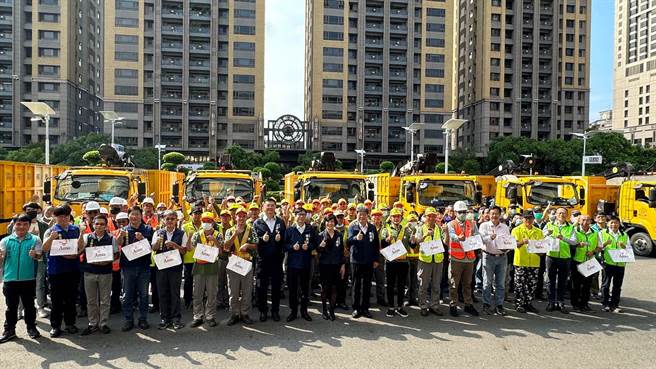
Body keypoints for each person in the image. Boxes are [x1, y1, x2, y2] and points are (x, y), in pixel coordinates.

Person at [0, 214, 43, 343]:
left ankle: (31, 328)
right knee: (11, 307)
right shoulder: (5, 241)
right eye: (18, 224)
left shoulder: (35, 239)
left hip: (28, 279)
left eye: (25, 224)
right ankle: (9, 330)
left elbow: (40, 256)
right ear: (14, 225)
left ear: (29, 226)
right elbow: (1, 260)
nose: (22, 227)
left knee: (29, 306)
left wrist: (35, 255)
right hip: (10, 279)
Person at [42, 205, 83, 338]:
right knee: (56, 300)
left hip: (72, 269)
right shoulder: (51, 231)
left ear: (69, 217)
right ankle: (55, 326)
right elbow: (44, 248)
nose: (63, 218)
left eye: (65, 216)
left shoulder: (75, 229)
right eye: (60, 216)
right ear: (55, 217)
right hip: (56, 270)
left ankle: (70, 323)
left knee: (71, 299)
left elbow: (81, 247)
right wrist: (51, 238)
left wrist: (77, 253)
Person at [78, 214, 119, 335]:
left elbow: (116, 254)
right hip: (89, 272)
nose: (99, 226)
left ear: (106, 226)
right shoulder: (87, 237)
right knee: (91, 300)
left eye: (102, 224)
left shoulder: (111, 238)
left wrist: (108, 260)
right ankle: (92, 323)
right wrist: (80, 233)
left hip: (105, 272)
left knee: (105, 299)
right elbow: (79, 249)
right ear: (93, 225)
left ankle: (103, 323)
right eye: (97, 224)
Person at [118, 206, 154, 331]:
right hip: (128, 267)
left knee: (143, 295)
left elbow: (153, 248)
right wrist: (120, 236)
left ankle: (143, 319)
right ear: (128, 216)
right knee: (127, 295)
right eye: (132, 214)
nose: (134, 217)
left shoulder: (148, 229)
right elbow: (117, 244)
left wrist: (143, 239)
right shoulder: (123, 230)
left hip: (143, 267)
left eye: (137, 214)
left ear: (141, 215)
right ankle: (128, 320)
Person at [151, 210, 187, 330]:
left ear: (176, 220)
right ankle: (164, 319)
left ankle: (176, 319)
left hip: (175, 268)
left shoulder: (182, 233)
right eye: (168, 219)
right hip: (161, 267)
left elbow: (184, 251)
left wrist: (174, 245)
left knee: (175, 293)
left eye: (172, 219)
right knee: (163, 293)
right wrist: (158, 242)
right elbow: (154, 248)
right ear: (163, 220)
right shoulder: (158, 232)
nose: (170, 221)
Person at [223, 207, 258, 325]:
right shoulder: (229, 230)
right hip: (233, 263)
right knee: (233, 291)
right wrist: (234, 235)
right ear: (235, 217)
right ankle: (234, 314)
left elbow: (257, 245)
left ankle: (245, 313)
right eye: (239, 216)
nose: (241, 218)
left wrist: (248, 245)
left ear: (246, 216)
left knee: (247, 290)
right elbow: (226, 247)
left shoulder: (251, 229)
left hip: (246, 263)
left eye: (243, 216)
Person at [253, 198, 286, 322]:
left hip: (277, 260)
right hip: (263, 260)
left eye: (273, 206)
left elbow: (286, 240)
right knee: (262, 287)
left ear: (275, 208)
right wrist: (262, 239)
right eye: (268, 206)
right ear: (263, 207)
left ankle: (275, 311)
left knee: (276, 287)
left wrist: (280, 238)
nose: (270, 208)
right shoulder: (258, 223)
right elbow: (254, 240)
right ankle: (263, 311)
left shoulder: (280, 222)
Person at [284, 207, 318, 322]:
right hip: (293, 265)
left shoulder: (310, 229)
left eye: (303, 214)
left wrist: (308, 247)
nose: (301, 216)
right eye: (299, 214)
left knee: (305, 289)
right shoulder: (290, 230)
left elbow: (315, 243)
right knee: (293, 290)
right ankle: (293, 311)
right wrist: (292, 247)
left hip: (306, 264)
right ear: (295, 216)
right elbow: (284, 246)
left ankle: (304, 311)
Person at [189, 212, 223, 328]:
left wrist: (215, 240)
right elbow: (190, 248)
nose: (206, 223)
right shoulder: (197, 234)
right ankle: (197, 316)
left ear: (213, 222)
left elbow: (222, 251)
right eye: (204, 221)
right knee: (197, 293)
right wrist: (189, 237)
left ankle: (210, 316)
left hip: (212, 266)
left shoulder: (218, 235)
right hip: (199, 266)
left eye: (209, 221)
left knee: (212, 293)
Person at [447, 201, 480, 317]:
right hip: (456, 258)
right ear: (455, 212)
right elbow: (451, 235)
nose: (462, 214)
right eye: (460, 212)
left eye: (464, 212)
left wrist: (476, 239)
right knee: (454, 284)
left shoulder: (471, 223)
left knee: (467, 284)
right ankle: (453, 305)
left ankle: (468, 305)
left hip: (469, 258)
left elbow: (477, 235)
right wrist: (458, 238)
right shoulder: (451, 224)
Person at [347, 205, 380, 319]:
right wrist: (356, 238)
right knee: (356, 285)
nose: (362, 216)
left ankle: (365, 308)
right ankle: (356, 308)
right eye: (360, 214)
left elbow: (376, 244)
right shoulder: (352, 226)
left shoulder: (372, 227)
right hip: (356, 260)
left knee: (367, 285)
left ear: (367, 215)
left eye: (364, 214)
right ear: (357, 215)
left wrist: (376, 259)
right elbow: (348, 241)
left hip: (369, 261)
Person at [543, 207, 577, 314]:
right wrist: (546, 234)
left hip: (565, 257)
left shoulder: (571, 227)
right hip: (551, 256)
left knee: (563, 281)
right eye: (559, 213)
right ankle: (551, 301)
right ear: (556, 214)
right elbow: (540, 237)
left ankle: (561, 301)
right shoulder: (549, 225)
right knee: (550, 280)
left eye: (563, 213)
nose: (561, 215)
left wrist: (563, 238)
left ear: (566, 215)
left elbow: (574, 242)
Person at [412, 207, 445, 317]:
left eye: (433, 216)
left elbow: (444, 242)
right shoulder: (421, 228)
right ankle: (423, 305)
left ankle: (434, 305)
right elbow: (416, 241)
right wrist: (426, 235)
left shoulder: (439, 228)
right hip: (425, 260)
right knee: (423, 284)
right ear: (425, 217)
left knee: (436, 284)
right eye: (429, 216)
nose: (431, 218)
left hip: (438, 259)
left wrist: (447, 232)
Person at [380, 208, 412, 318]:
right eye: (394, 216)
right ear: (391, 218)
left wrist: (413, 241)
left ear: (401, 217)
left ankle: (400, 307)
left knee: (401, 285)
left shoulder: (407, 230)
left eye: (398, 216)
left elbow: (411, 245)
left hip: (403, 261)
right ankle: (391, 307)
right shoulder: (385, 229)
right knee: (390, 285)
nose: (396, 218)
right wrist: (386, 240)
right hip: (391, 262)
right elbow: (382, 244)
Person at [479, 206, 510, 316]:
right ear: (489, 215)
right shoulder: (484, 226)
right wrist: (490, 237)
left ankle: (499, 305)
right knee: (487, 282)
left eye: (496, 213)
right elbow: (481, 240)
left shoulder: (505, 227)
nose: (494, 216)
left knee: (500, 283)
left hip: (502, 257)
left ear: (500, 215)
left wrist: (507, 248)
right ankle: (486, 304)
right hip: (488, 256)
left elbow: (508, 242)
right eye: (492, 213)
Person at [510, 211, 543, 313]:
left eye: (530, 218)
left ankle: (528, 303)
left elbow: (542, 247)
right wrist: (522, 242)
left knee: (531, 284)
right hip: (521, 261)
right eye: (526, 218)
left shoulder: (538, 231)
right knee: (519, 284)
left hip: (534, 261)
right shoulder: (516, 230)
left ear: (533, 219)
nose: (528, 220)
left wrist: (540, 251)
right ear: (523, 219)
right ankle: (519, 303)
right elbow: (513, 245)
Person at [317, 214, 345, 321]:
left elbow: (342, 251)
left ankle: (332, 310)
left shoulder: (339, 235)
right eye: (328, 221)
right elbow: (317, 250)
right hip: (324, 266)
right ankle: (324, 310)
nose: (330, 223)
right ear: (325, 223)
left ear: (335, 223)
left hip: (336, 265)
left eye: (332, 221)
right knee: (325, 289)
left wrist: (342, 265)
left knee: (334, 288)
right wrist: (321, 246)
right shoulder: (320, 235)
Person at [570, 214, 600, 313]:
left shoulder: (595, 232)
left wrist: (593, 252)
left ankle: (585, 304)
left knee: (587, 285)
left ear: (591, 222)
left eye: (588, 220)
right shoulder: (574, 231)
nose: (585, 222)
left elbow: (599, 247)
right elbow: (569, 244)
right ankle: (575, 304)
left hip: (589, 262)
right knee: (576, 284)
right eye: (583, 220)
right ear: (578, 221)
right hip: (577, 261)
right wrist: (577, 245)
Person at [600, 217, 629, 313]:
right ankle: (605, 304)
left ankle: (615, 305)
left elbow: (629, 249)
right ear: (608, 224)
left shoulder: (624, 235)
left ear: (619, 224)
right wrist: (605, 244)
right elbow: (598, 248)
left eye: (616, 223)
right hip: (607, 263)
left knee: (617, 286)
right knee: (606, 285)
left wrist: (624, 246)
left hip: (620, 264)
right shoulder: (603, 233)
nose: (614, 225)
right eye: (612, 223)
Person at [182, 207, 203, 310]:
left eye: (199, 213)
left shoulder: (204, 226)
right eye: (195, 213)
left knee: (200, 282)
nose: (197, 215)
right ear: (191, 215)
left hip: (201, 258)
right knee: (188, 281)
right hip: (189, 259)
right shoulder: (185, 227)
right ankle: (188, 300)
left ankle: (199, 300)